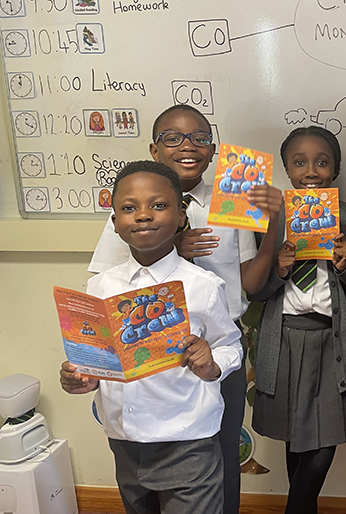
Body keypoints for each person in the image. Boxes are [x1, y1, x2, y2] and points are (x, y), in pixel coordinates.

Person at [87, 104, 283, 514]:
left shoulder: (234, 198)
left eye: (198, 137)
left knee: (220, 450)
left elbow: (248, 283)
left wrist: (273, 225)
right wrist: (172, 247)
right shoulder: (134, 206)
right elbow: (107, 285)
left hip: (213, 347)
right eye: (173, 138)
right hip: (144, 349)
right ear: (155, 149)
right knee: (143, 459)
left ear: (212, 150)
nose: (186, 146)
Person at [60, 161, 243, 514]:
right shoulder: (101, 287)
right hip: (124, 441)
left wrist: (213, 363)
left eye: (158, 205)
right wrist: (81, 377)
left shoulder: (201, 286)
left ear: (180, 215)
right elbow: (98, 361)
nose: (143, 215)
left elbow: (229, 345)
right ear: (115, 223)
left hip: (187, 441)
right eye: (129, 208)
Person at [249, 126, 346, 514]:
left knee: (322, 444)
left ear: (335, 168)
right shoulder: (270, 218)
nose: (311, 171)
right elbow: (253, 290)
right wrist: (279, 272)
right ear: (286, 168)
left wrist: (345, 265)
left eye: (322, 162)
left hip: (329, 341)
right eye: (299, 162)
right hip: (282, 339)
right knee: (293, 438)